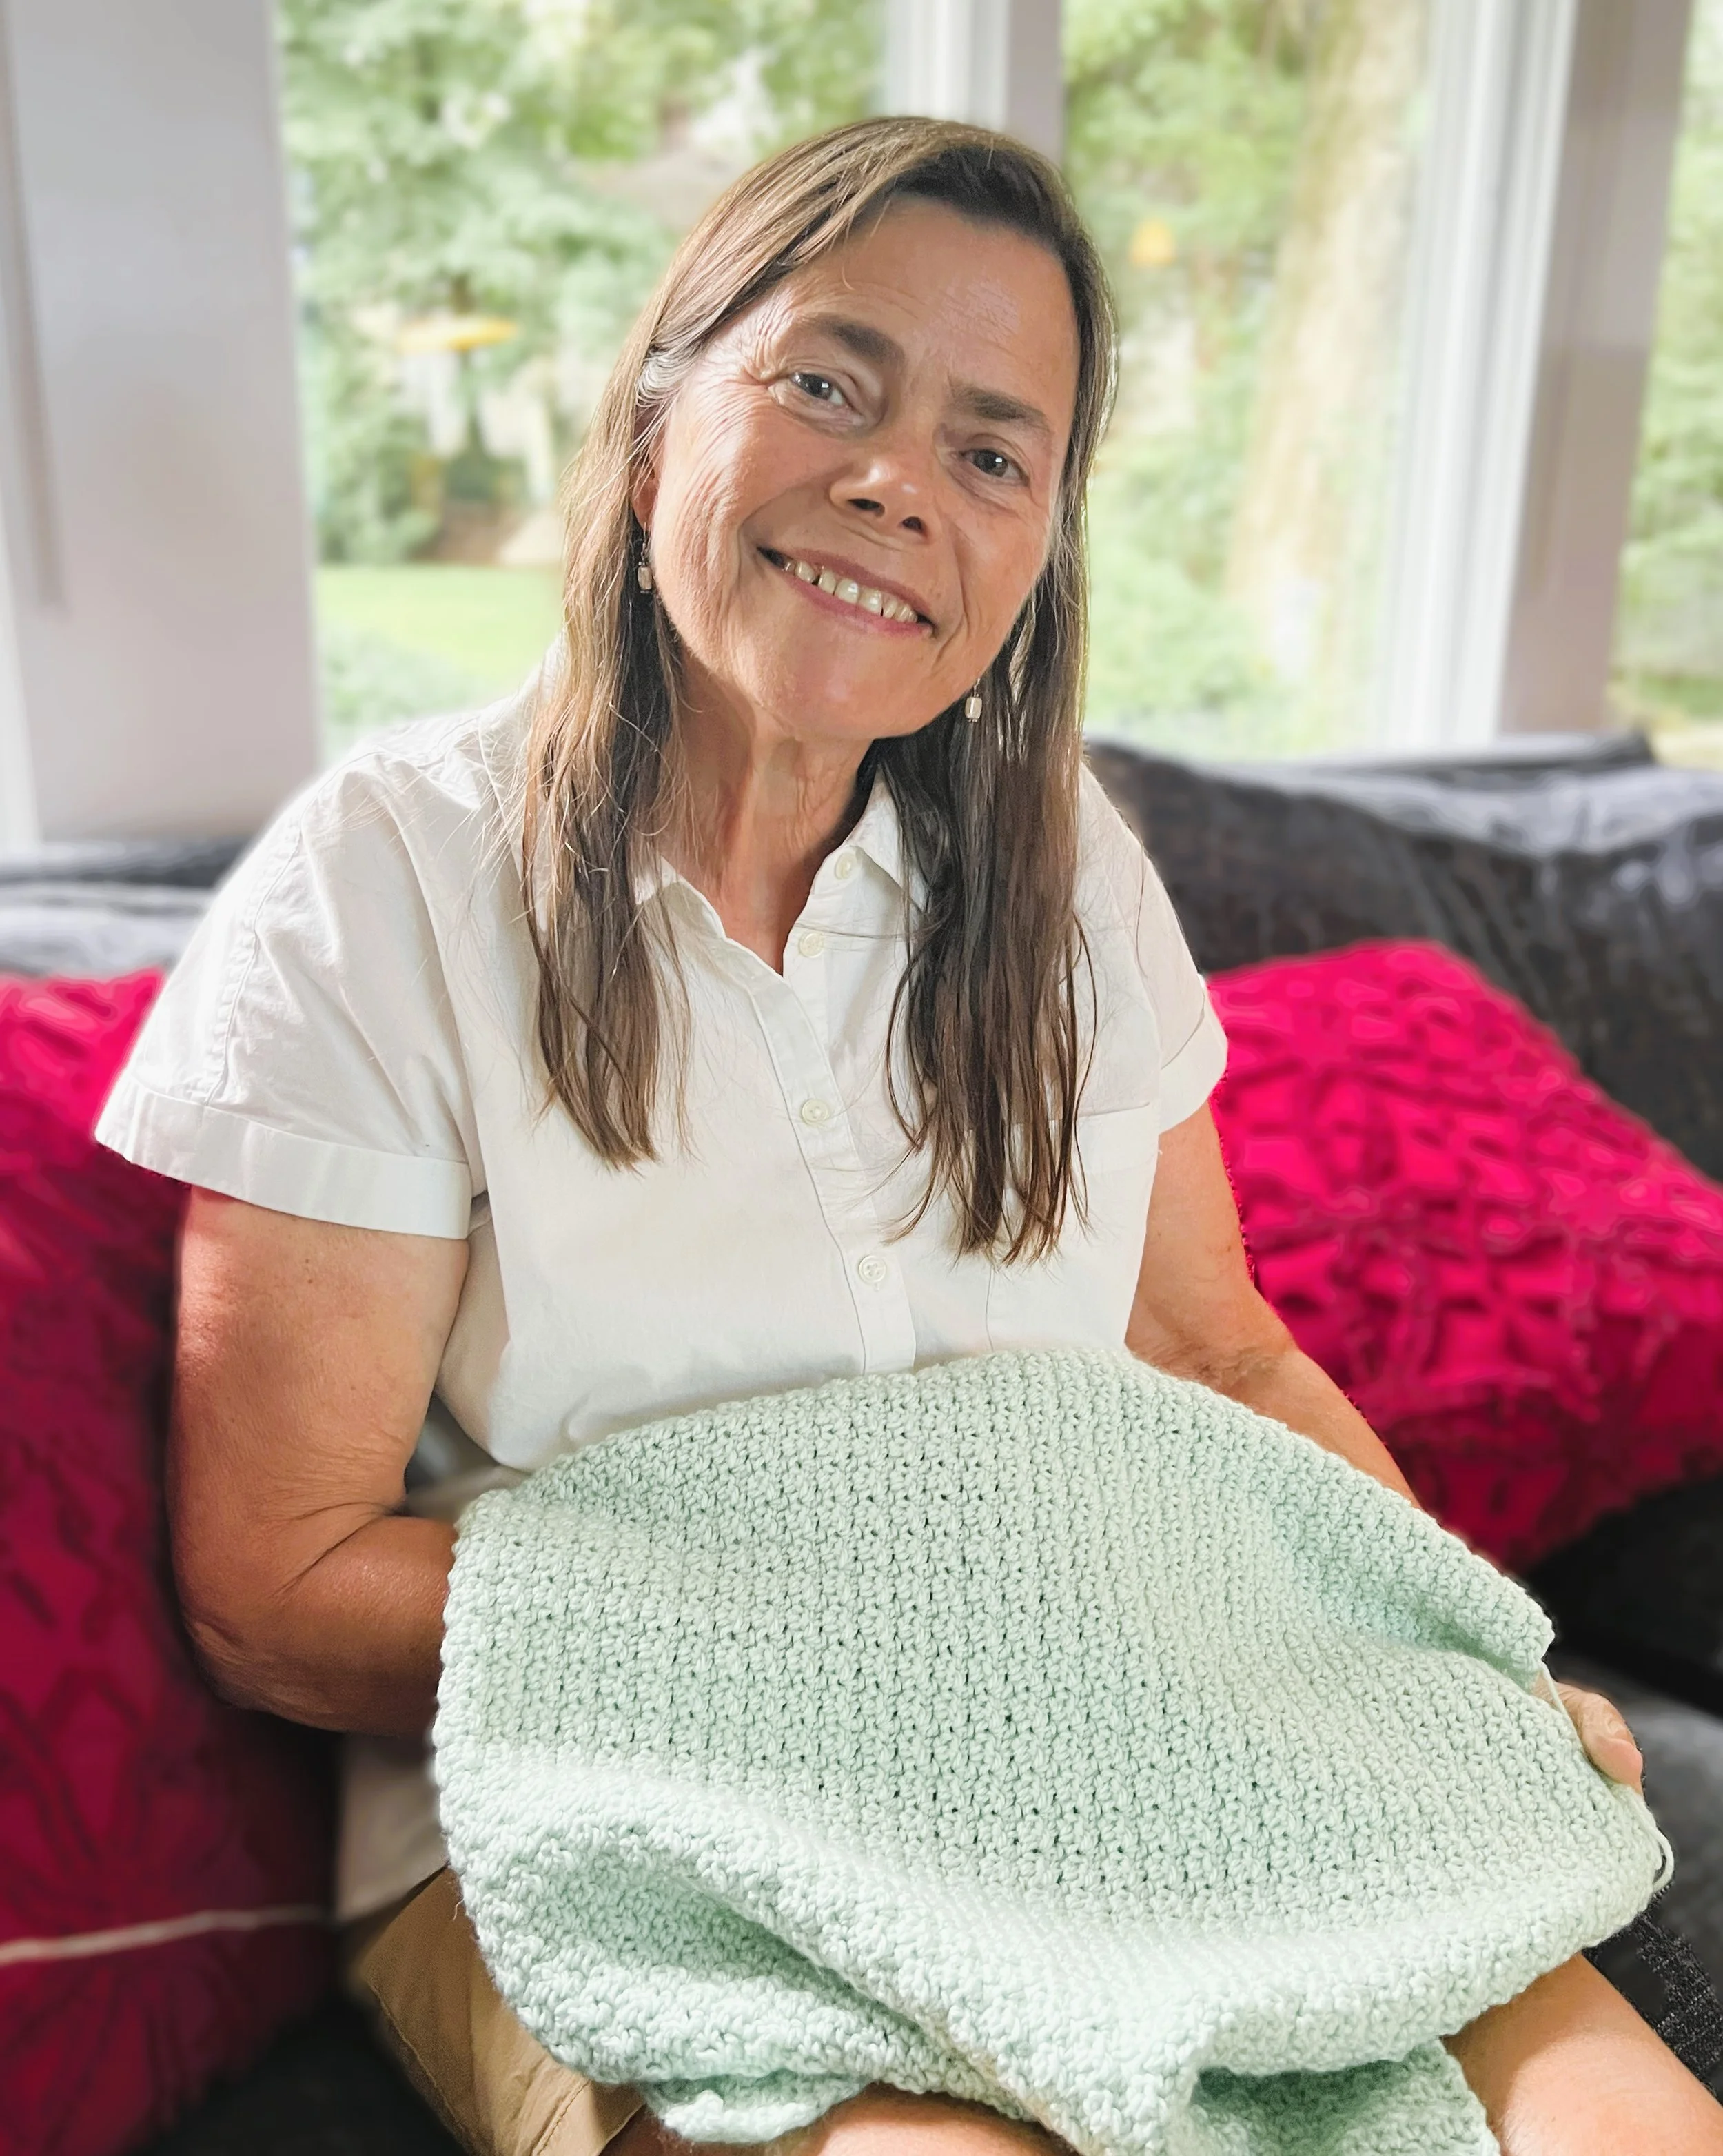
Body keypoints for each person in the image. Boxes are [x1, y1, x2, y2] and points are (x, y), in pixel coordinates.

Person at [97, 117, 1723, 2156]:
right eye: (827, 384)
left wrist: (1446, 1644)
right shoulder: (389, 881)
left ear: (1039, 542)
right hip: (638, 1800)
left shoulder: (1061, 882)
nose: (893, 484)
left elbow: (1217, 1359)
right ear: (662, 401)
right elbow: (277, 1577)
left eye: (989, 450)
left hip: (1146, 1721)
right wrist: (899, 1630)